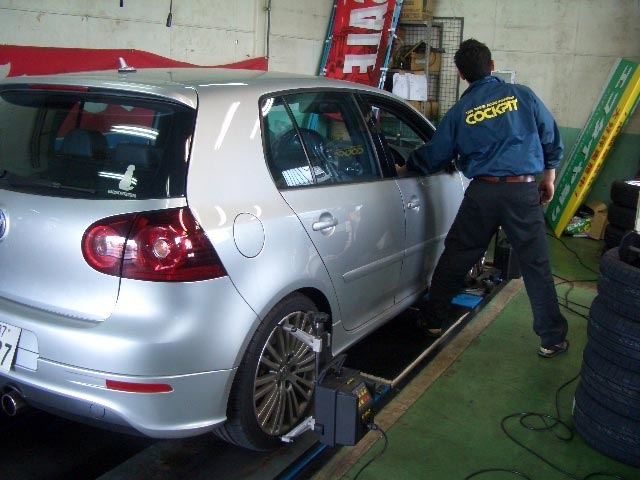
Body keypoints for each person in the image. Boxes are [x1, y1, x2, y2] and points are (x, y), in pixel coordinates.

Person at [407, 38, 569, 358]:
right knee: (535, 264)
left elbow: (436, 154)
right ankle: (551, 338)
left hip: (482, 192)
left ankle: (433, 321)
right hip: (523, 191)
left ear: (461, 74)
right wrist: (548, 178)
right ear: (492, 67)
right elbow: (550, 137)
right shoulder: (522, 95)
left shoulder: (460, 111)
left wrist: (407, 165)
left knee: (457, 255)